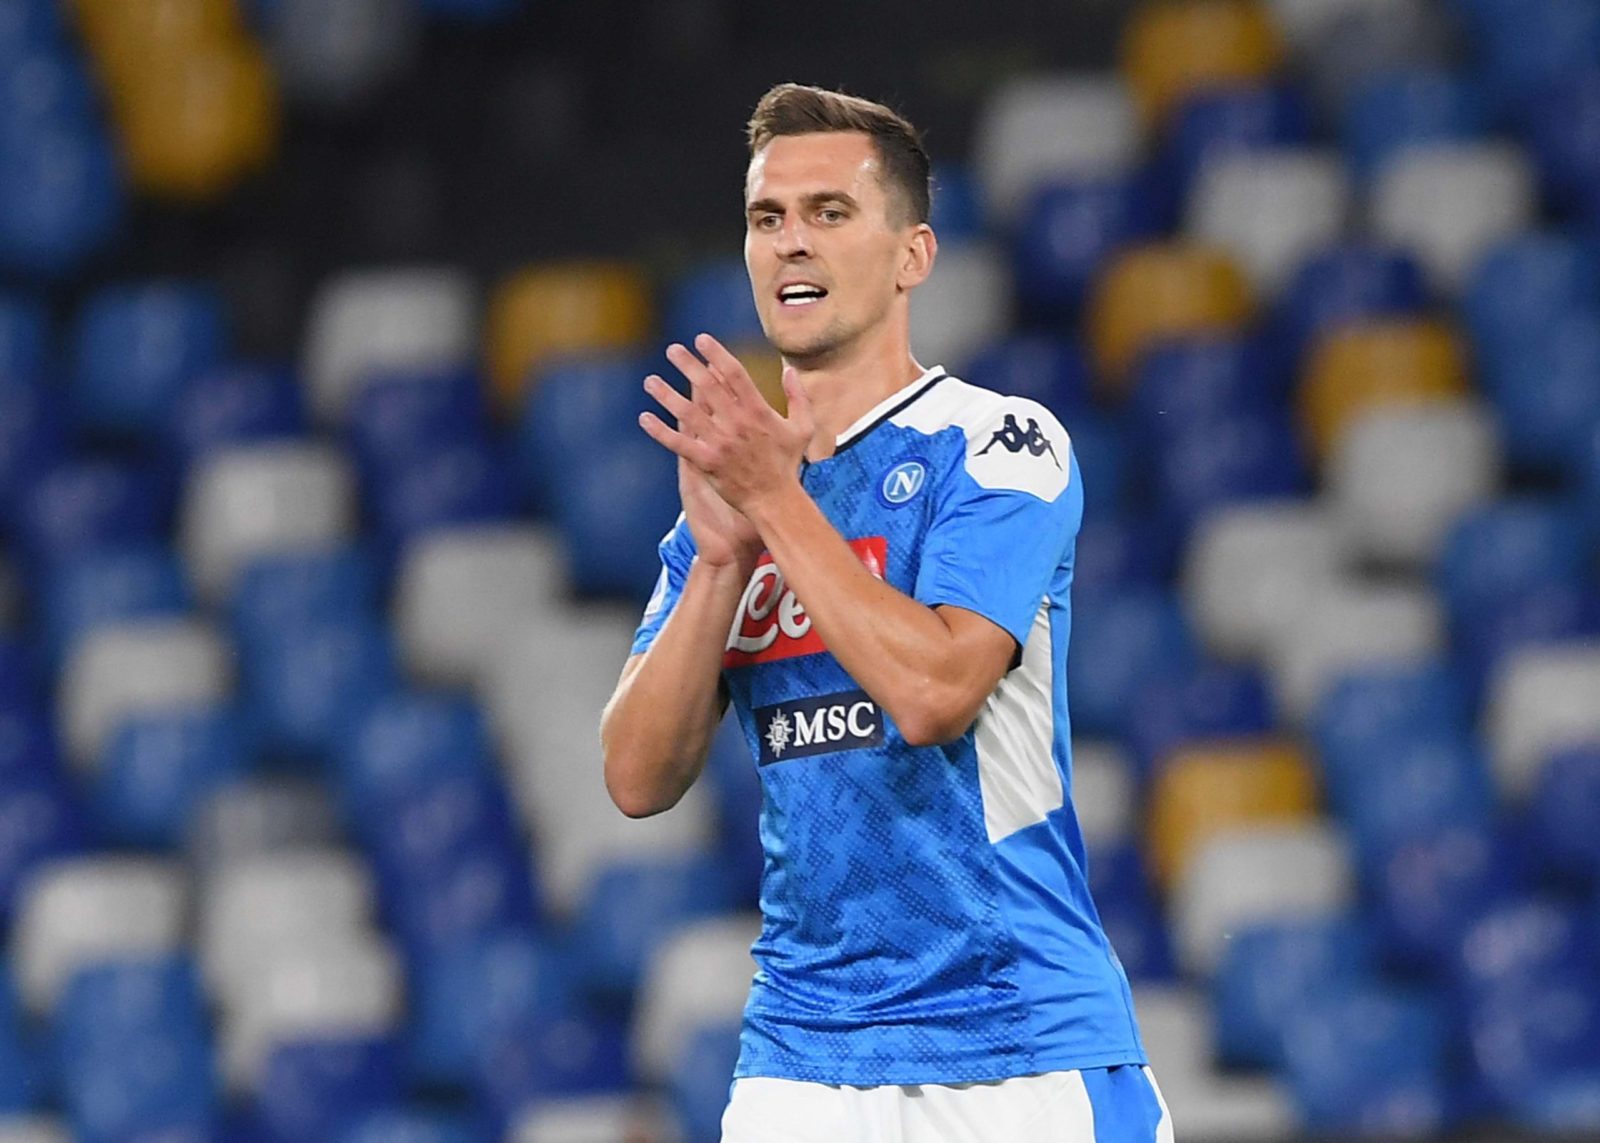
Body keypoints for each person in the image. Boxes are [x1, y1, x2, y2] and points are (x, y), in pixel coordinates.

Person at [600, 83, 1171, 1143]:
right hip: (801, 1058)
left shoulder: (998, 444)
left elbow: (934, 692)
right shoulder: (731, 499)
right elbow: (636, 778)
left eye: (829, 213)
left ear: (913, 255)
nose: (791, 242)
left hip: (1014, 1042)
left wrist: (776, 503)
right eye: (767, 217)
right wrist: (719, 562)